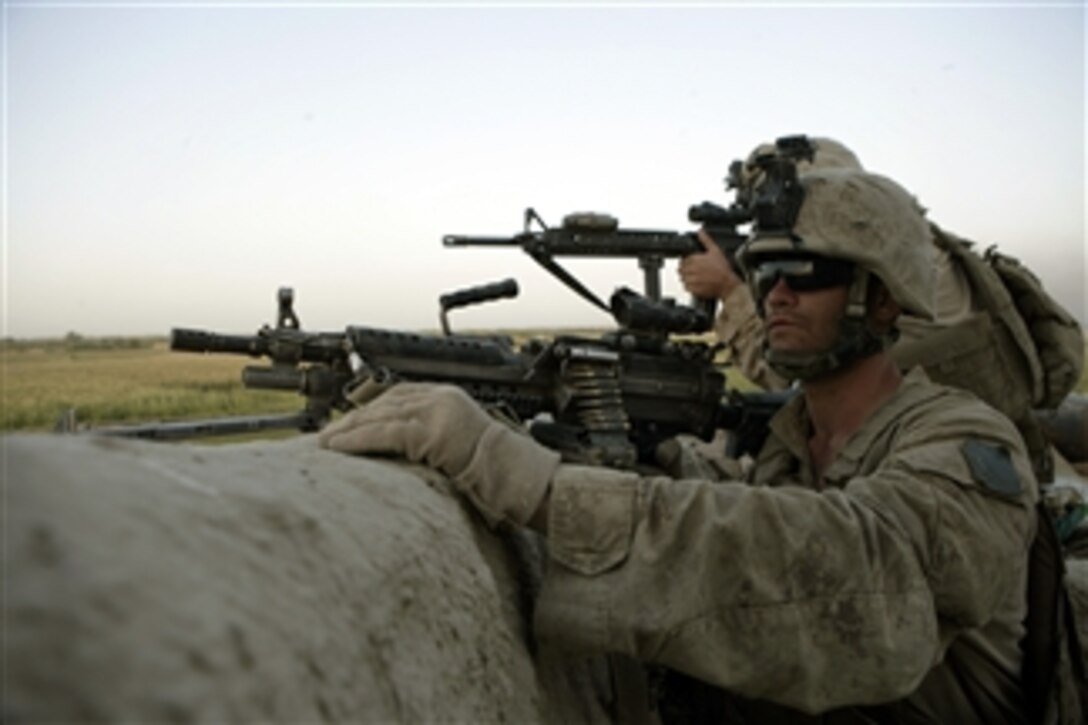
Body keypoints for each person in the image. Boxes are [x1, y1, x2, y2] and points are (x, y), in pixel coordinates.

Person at [319, 166, 1043, 721]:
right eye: (761, 273)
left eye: (803, 272)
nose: (774, 296)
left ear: (884, 298)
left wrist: (538, 485)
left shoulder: (968, 438)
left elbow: (851, 570)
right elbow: (753, 513)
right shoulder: (789, 442)